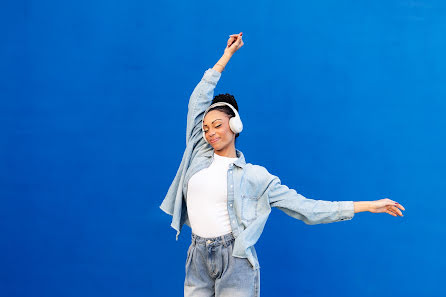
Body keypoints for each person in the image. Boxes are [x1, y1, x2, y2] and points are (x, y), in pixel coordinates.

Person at [159, 32, 406, 297]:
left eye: (217, 125)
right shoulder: (197, 153)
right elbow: (197, 100)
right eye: (206, 128)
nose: (210, 133)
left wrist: (368, 206)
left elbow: (307, 209)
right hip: (197, 255)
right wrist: (226, 55)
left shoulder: (256, 177)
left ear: (234, 126)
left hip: (235, 261)